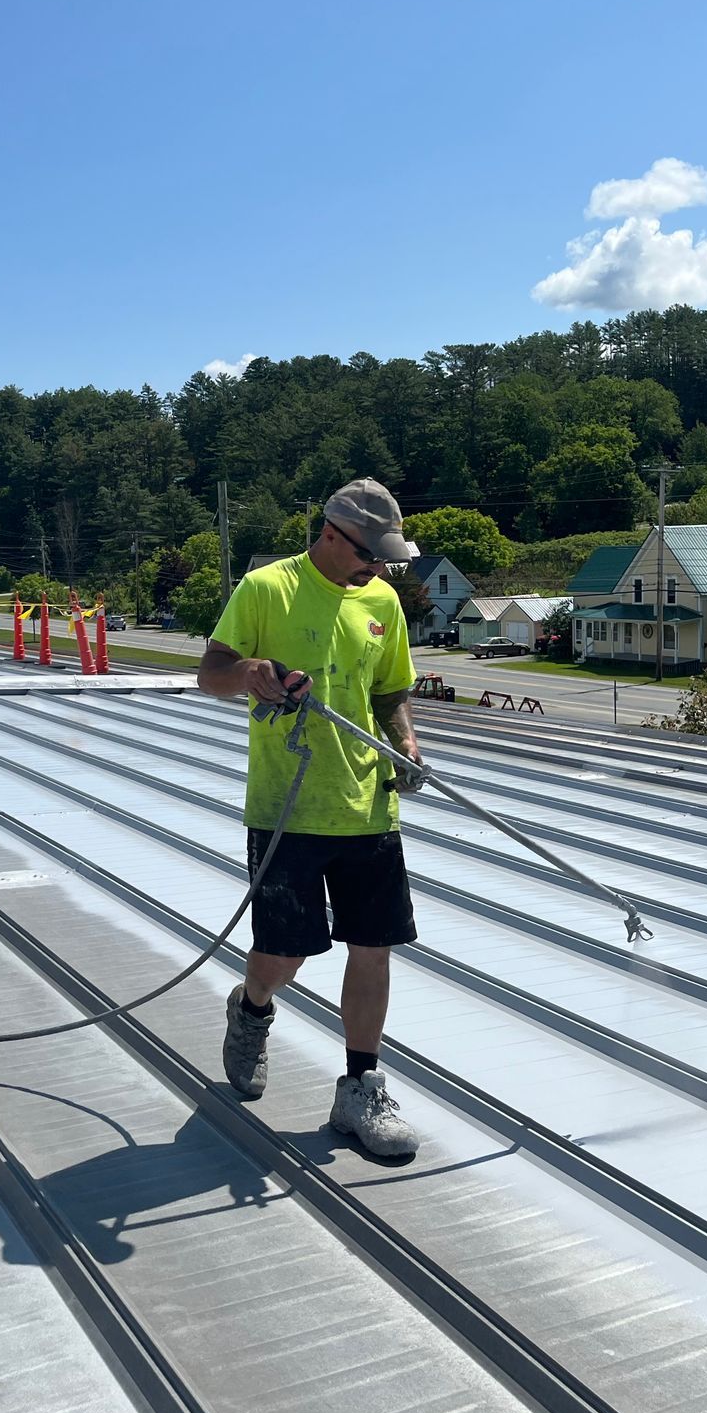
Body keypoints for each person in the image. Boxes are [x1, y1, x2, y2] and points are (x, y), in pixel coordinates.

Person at [197, 478, 424, 1157]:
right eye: (370, 554)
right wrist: (252, 673)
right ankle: (253, 1007)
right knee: (285, 953)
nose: (379, 568)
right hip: (288, 808)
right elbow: (211, 672)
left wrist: (406, 741)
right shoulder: (268, 589)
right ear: (332, 535)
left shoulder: (381, 601)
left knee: (372, 946)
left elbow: (391, 691)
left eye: (383, 557)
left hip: (368, 805)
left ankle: (359, 1088)